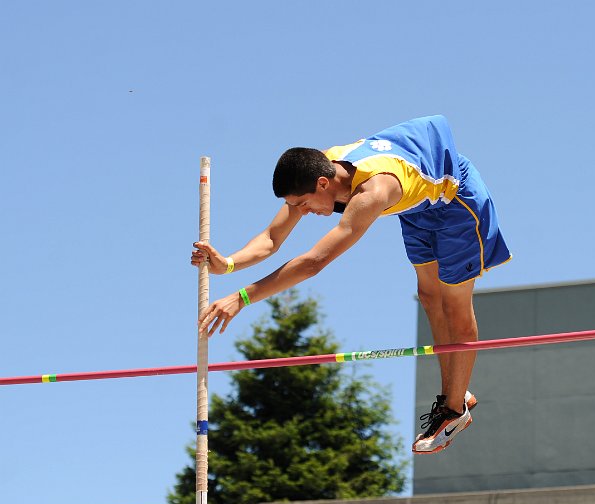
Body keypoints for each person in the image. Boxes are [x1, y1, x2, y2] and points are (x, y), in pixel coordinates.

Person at [191, 115, 511, 454]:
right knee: (429, 296)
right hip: (417, 209)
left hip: (456, 202)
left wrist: (242, 298)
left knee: (453, 303)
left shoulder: (373, 193)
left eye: (303, 204)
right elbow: (273, 238)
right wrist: (228, 264)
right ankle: (456, 394)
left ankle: (454, 410)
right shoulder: (321, 167)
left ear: (323, 184)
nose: (303, 212)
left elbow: (314, 263)